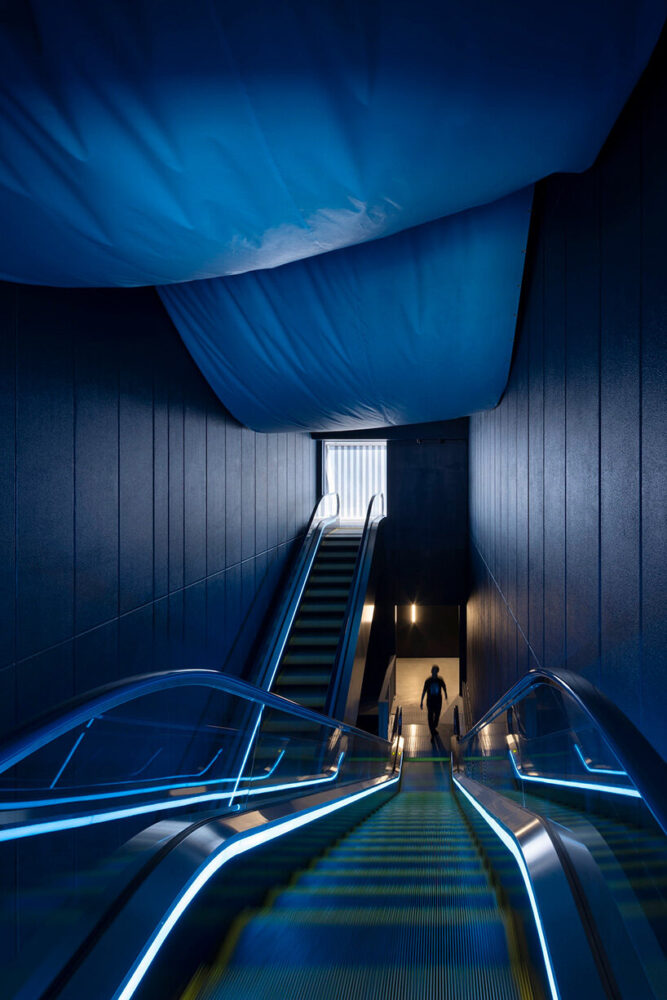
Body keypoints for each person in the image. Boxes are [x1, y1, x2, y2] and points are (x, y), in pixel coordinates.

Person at [420, 664, 447, 740]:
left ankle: (433, 728)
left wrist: (446, 695)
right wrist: (421, 701)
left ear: (437, 672)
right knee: (430, 717)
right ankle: (432, 733)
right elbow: (424, 691)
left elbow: (444, 687)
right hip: (430, 701)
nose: (434, 673)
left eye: (436, 671)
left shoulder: (440, 680)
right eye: (433, 671)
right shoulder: (428, 681)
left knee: (437, 717)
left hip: (438, 701)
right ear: (431, 671)